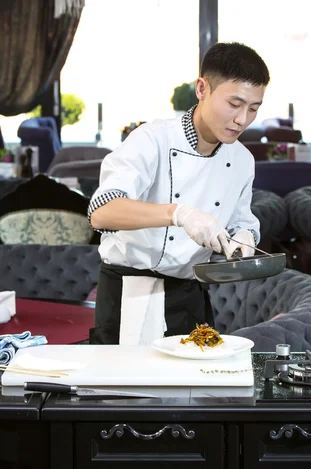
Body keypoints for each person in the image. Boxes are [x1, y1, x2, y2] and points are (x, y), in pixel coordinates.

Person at [88, 42, 270, 345]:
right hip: (129, 293)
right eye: (234, 104)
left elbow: (241, 220)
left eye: (253, 108)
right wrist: (178, 214)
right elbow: (102, 212)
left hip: (189, 295)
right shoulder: (152, 139)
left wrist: (245, 237)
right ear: (202, 88)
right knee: (124, 389)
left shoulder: (242, 160)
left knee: (193, 389)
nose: (243, 119)